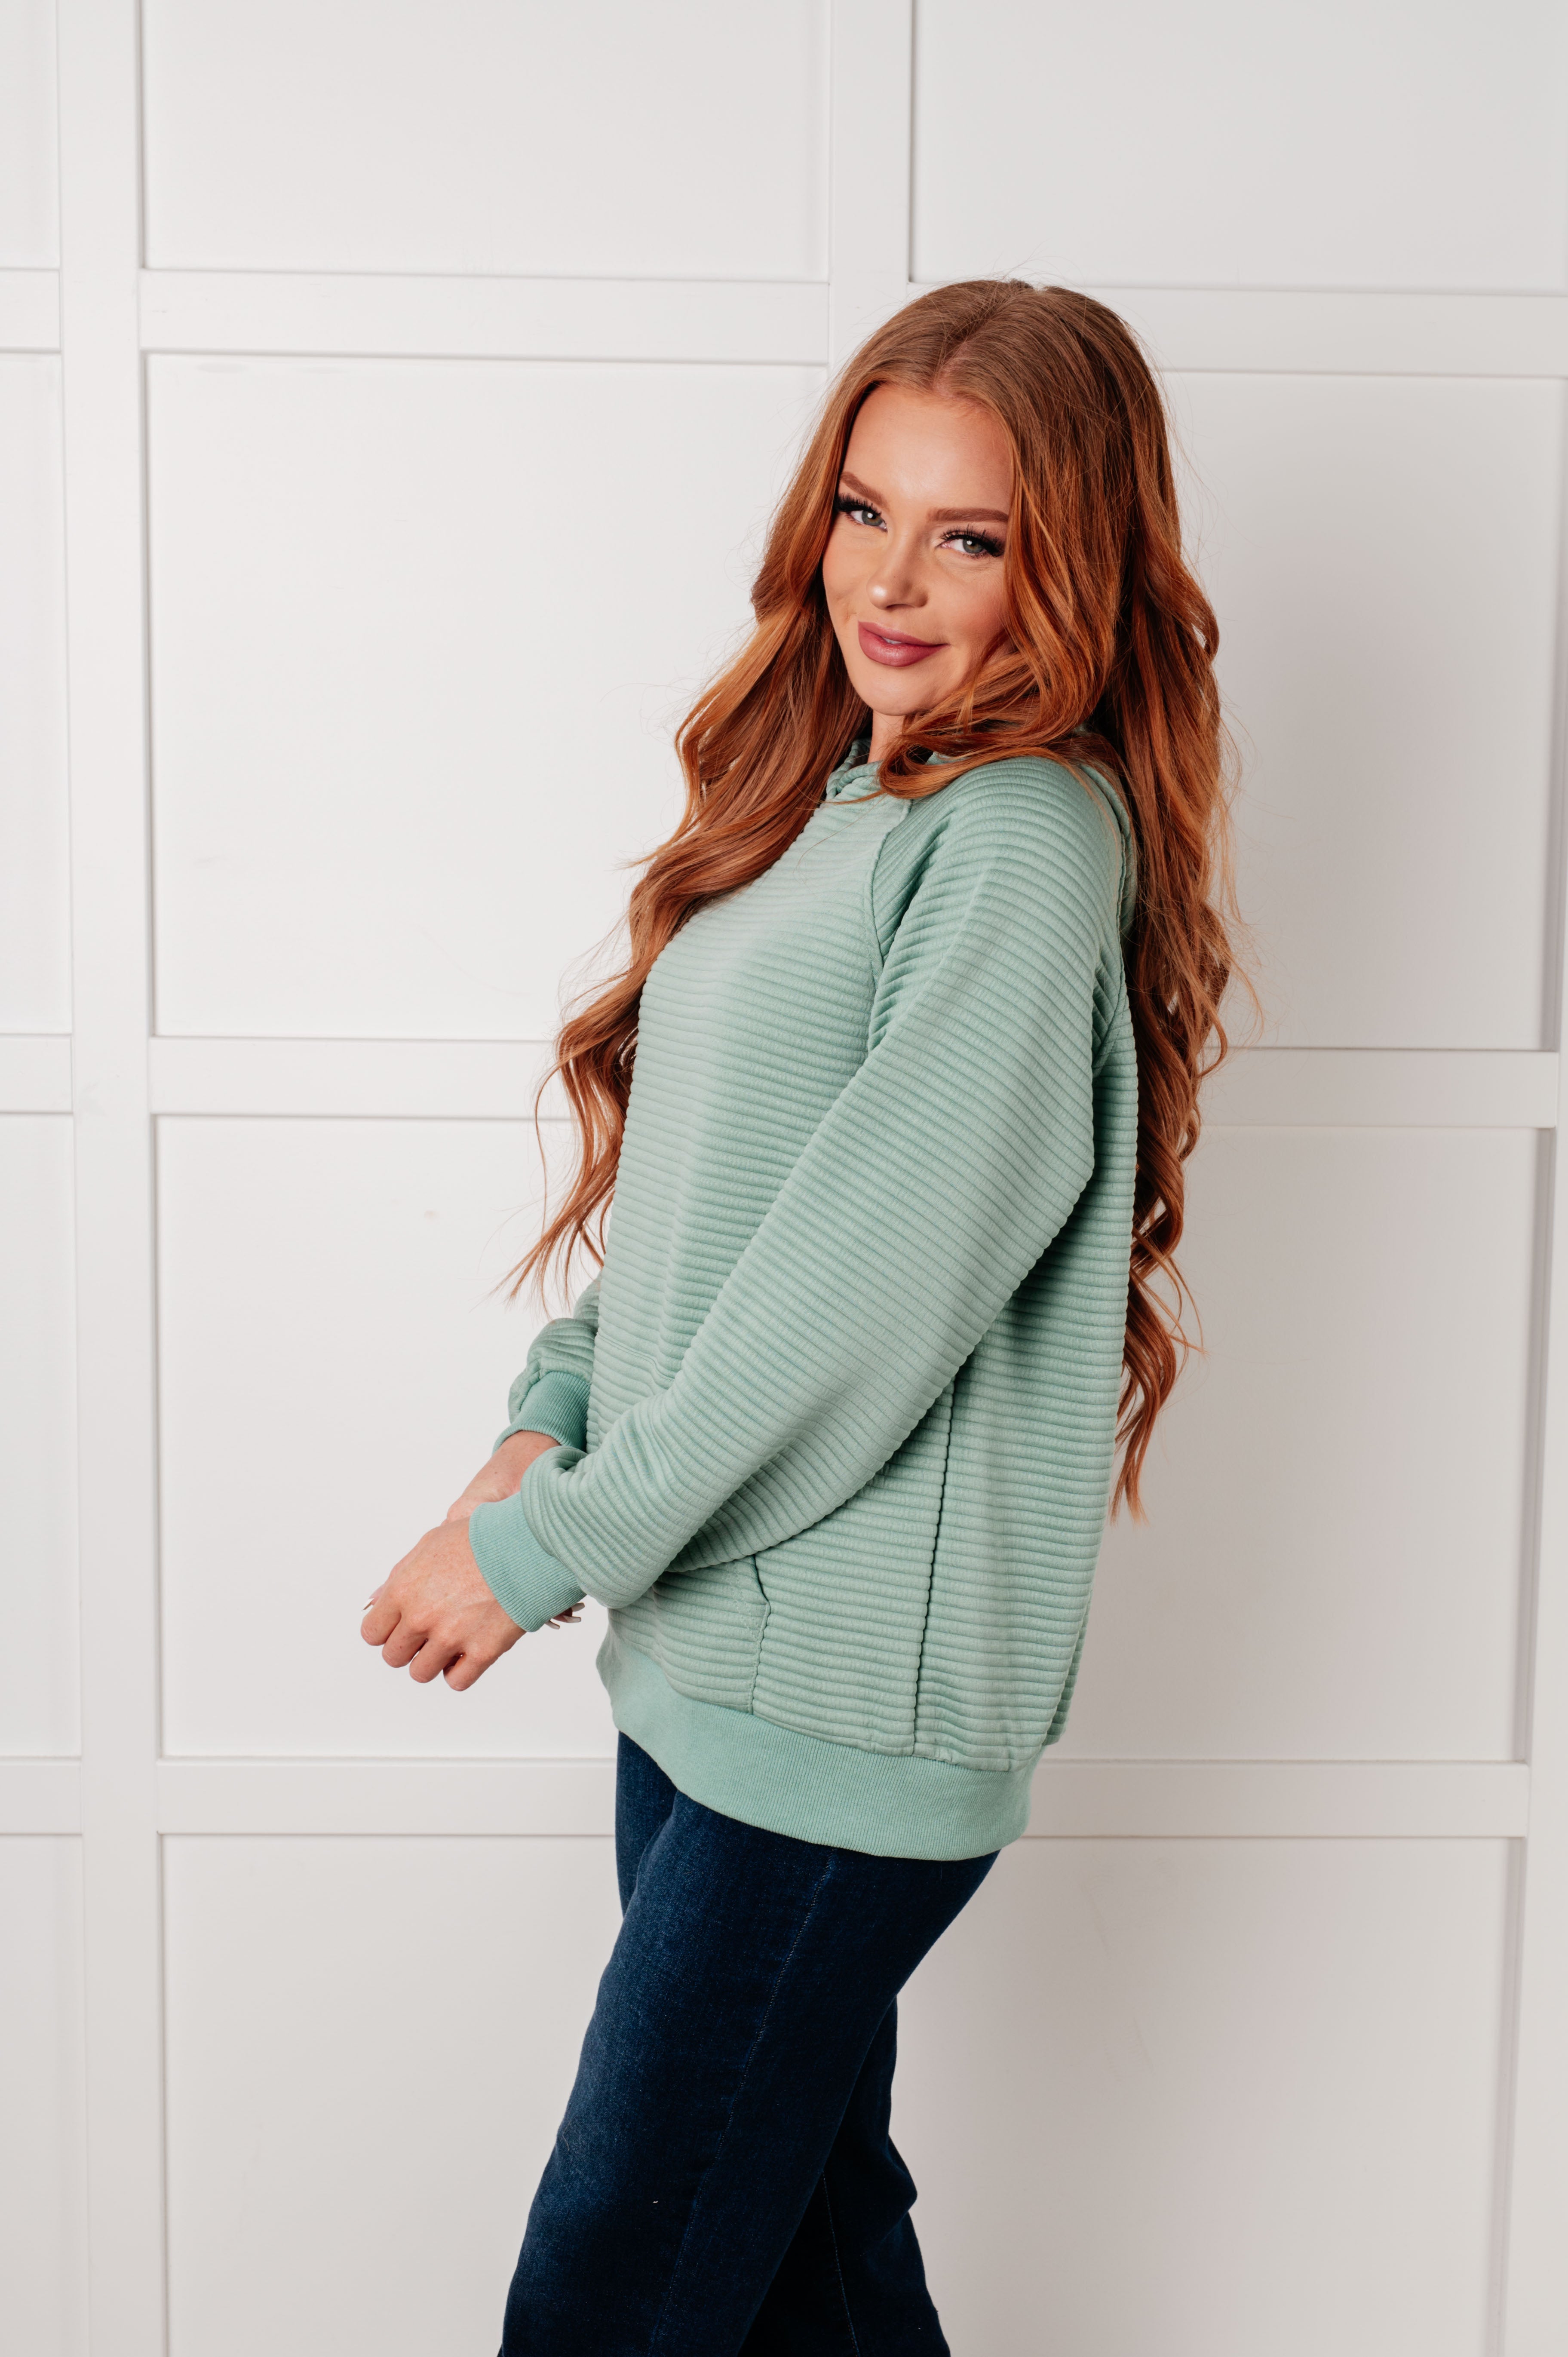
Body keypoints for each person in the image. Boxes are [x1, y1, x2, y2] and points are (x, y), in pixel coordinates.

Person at [362, 278, 1248, 2354]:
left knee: (618, 2287)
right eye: (867, 511)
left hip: (843, 1702)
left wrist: (542, 1548)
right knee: (809, 2263)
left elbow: (857, 1300)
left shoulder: (1019, 844)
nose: (893, 582)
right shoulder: (848, 804)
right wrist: (550, 1411)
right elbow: (719, 1212)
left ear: (1072, 564)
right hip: (713, 1659)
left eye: (973, 536)